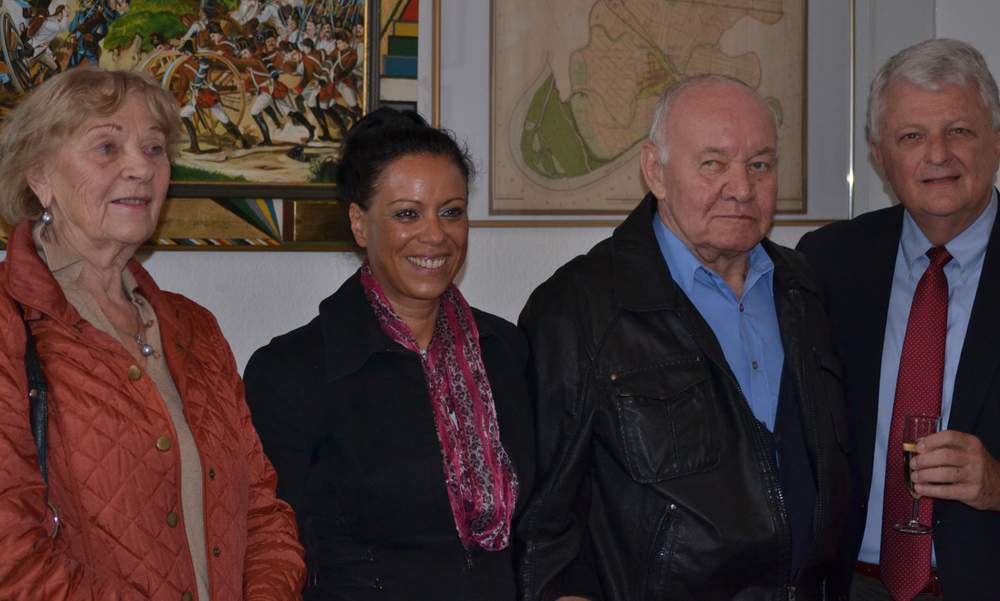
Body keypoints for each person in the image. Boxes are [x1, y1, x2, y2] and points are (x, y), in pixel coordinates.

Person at [517, 74, 853, 601]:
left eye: (759, 165)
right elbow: (542, 511)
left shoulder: (804, 288)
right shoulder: (580, 306)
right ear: (656, 170)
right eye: (713, 164)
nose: (741, 189)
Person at [0, 67, 305, 600]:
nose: (140, 168)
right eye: (107, 148)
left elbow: (261, 511)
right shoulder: (9, 321)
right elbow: (12, 555)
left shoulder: (194, 327)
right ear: (40, 177)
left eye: (155, 148)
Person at [243, 108, 535, 601]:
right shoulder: (291, 372)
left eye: (451, 211)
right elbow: (272, 547)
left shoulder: (506, 350)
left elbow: (541, 523)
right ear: (360, 223)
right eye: (406, 213)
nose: (435, 235)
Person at [797, 38, 1000, 601]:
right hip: (852, 585)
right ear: (879, 157)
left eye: (959, 131)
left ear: (997, 141)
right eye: (912, 137)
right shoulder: (827, 262)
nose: (937, 155)